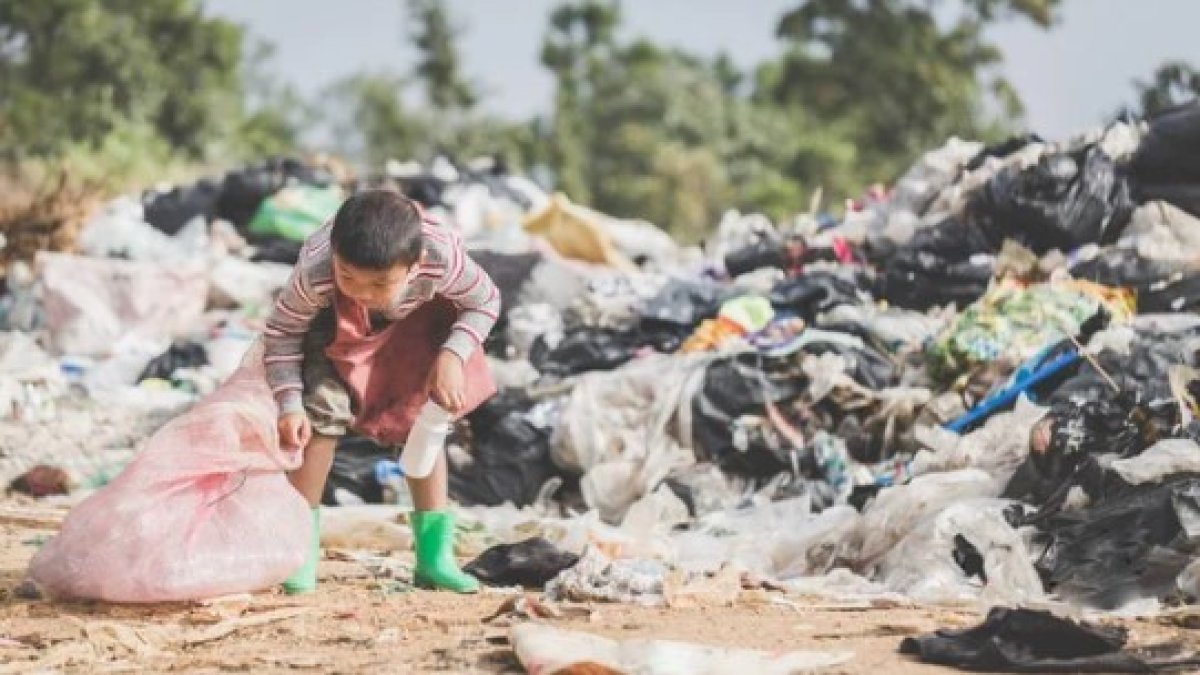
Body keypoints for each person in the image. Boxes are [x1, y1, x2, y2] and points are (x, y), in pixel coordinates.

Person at [263, 189, 500, 594]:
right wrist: (288, 403)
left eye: (378, 283)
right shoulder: (316, 273)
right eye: (348, 276)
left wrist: (453, 354)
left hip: (417, 320)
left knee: (425, 420)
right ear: (334, 256)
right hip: (333, 325)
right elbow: (283, 334)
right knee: (320, 416)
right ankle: (299, 553)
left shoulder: (442, 258)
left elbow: (485, 300)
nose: (362, 292)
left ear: (415, 265)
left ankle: (434, 558)